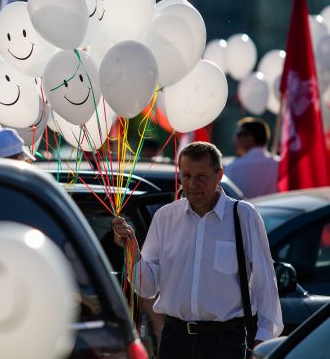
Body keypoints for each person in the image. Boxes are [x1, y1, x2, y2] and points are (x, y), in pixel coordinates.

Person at [112, 141, 282, 359]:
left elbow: (265, 285)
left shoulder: (243, 216)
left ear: (218, 174)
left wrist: (261, 343)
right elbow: (147, 288)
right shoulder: (165, 217)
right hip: (175, 340)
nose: (192, 184)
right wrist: (131, 249)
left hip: (226, 343)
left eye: (201, 176)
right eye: (186, 176)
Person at [224, 117, 279, 199]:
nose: (235, 140)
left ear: (250, 138)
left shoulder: (232, 167)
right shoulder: (279, 165)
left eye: (239, 135)